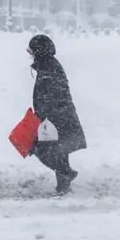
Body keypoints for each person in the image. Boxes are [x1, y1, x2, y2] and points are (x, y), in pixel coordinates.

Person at [28, 34, 87, 195]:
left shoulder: (48, 67)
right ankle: (63, 184)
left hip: (57, 117)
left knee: (41, 149)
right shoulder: (48, 64)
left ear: (38, 51)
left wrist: (43, 116)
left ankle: (65, 174)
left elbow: (50, 95)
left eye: (31, 51)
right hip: (60, 116)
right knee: (58, 150)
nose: (30, 54)